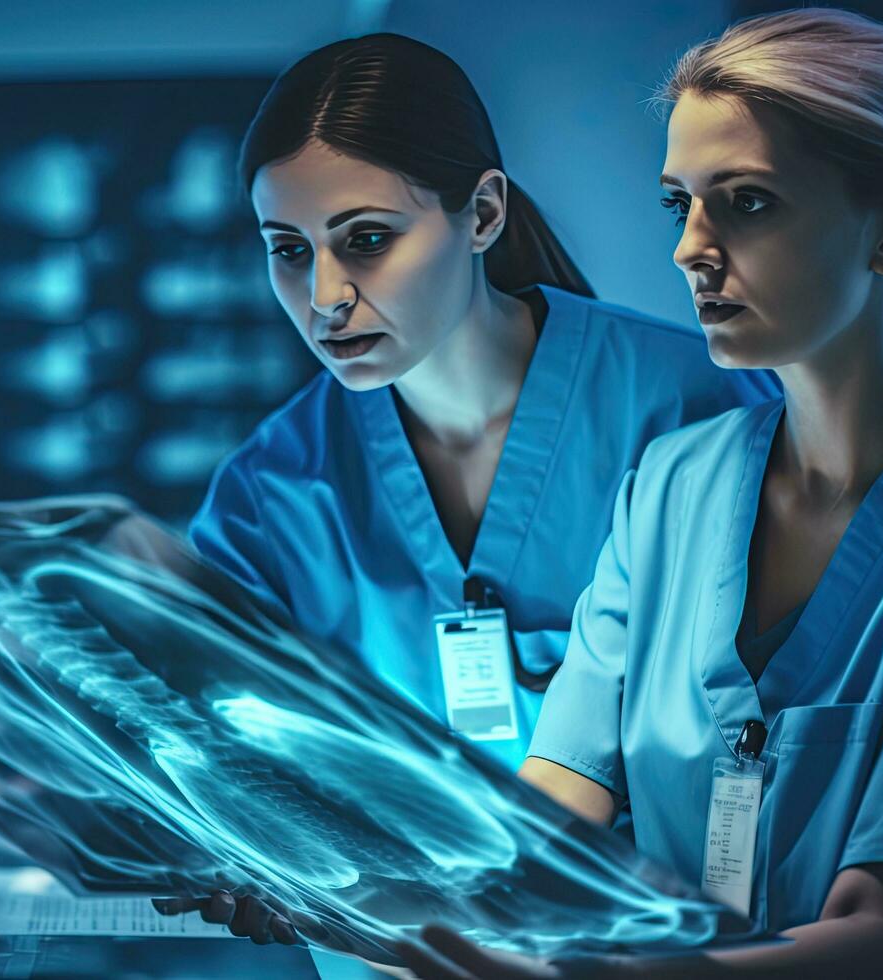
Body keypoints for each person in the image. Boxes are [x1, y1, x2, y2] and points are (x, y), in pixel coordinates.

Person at [392, 9, 883, 978]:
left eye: (748, 203)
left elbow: (880, 928)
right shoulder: (672, 486)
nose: (690, 246)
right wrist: (364, 890)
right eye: (678, 202)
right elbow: (557, 798)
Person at [187, 33, 771, 777]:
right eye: (290, 250)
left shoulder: (697, 407)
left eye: (366, 238)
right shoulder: (270, 494)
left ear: (484, 214)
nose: (325, 298)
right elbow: (218, 739)